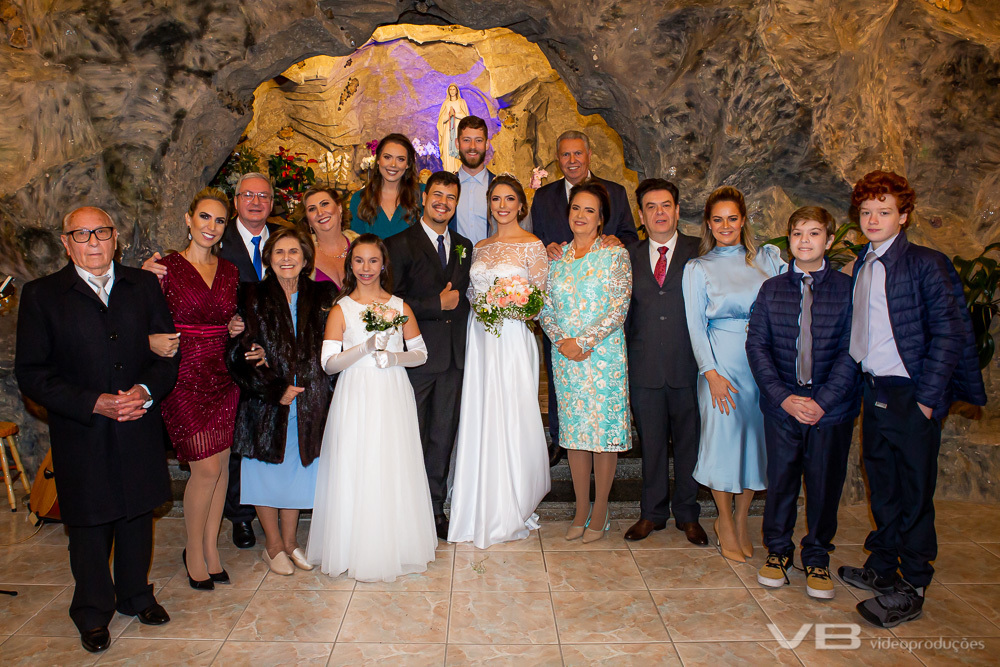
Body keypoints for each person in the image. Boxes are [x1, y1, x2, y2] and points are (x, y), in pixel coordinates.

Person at [15, 207, 178, 653]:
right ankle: (91, 611)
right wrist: (94, 402)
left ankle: (135, 595)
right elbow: (32, 373)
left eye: (101, 232)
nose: (93, 241)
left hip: (137, 423)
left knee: (136, 516)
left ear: (115, 239)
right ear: (66, 243)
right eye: (82, 234)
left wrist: (144, 391)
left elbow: (167, 353)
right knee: (87, 525)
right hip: (81, 430)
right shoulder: (42, 295)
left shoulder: (142, 286)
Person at [837, 171, 985, 628]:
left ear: (903, 216)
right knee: (881, 483)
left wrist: (927, 399)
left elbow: (949, 333)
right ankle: (883, 568)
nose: (873, 218)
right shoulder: (862, 261)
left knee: (914, 492)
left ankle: (914, 583)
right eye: (866, 212)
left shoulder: (927, 262)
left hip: (910, 394)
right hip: (875, 388)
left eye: (884, 211)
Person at [745, 206, 860, 600]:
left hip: (832, 409)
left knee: (824, 484)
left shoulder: (847, 290)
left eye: (814, 234)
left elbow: (853, 351)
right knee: (781, 481)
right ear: (788, 240)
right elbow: (757, 347)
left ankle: (817, 556)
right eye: (797, 234)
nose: (805, 241)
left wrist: (823, 401)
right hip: (783, 405)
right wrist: (784, 398)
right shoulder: (772, 289)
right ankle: (777, 552)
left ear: (829, 241)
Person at [308, 234, 436, 581]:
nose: (366, 268)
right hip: (355, 393)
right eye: (359, 261)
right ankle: (353, 546)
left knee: (391, 462)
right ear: (350, 265)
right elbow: (329, 364)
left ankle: (397, 544)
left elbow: (421, 353)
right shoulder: (341, 309)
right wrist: (364, 347)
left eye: (373, 261)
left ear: (383, 265)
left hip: (392, 391)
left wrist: (394, 356)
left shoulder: (399, 306)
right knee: (357, 462)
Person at [681, 185, 785, 563]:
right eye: (718, 219)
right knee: (723, 442)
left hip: (762, 367)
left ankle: (743, 520)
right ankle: (723, 519)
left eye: (733, 218)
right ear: (709, 224)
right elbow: (694, 325)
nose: (726, 225)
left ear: (743, 221)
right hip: (720, 366)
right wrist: (710, 373)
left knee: (754, 446)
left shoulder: (767, 262)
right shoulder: (698, 268)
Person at [225, 227, 336, 575]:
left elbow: (335, 343)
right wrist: (275, 388)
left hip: (310, 402)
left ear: (305, 259)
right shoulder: (251, 295)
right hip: (266, 403)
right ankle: (272, 546)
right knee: (264, 472)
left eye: (294, 252)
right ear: (268, 259)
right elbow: (242, 350)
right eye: (279, 252)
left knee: (298, 472)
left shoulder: (323, 294)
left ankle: (290, 542)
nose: (286, 258)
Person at [448, 175, 551, 548]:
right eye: (496, 199)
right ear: (489, 204)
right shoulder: (480, 247)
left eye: (509, 199)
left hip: (512, 339)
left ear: (521, 205)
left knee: (511, 411)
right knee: (480, 413)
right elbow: (473, 294)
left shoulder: (533, 246)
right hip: (480, 338)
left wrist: (513, 304)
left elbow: (539, 300)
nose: (502, 205)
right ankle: (477, 501)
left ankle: (513, 499)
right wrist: (486, 303)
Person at [149, 188, 240, 590]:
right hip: (182, 375)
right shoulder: (163, 269)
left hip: (223, 375)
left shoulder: (230, 271)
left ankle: (211, 548)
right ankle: (192, 549)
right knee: (204, 468)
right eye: (205, 217)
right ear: (189, 219)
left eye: (219, 220)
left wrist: (235, 325)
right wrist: (151, 339)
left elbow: (230, 317)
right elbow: (138, 318)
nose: (211, 226)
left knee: (219, 469)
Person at [530, 131, 638, 465]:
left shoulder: (615, 193)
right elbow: (535, 240)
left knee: (601, 394)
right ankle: (562, 438)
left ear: (589, 155)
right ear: (557, 159)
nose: (572, 161)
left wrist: (614, 242)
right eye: (565, 155)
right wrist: (543, 248)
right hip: (560, 310)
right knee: (561, 377)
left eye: (578, 154)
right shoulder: (543, 197)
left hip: (598, 311)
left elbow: (630, 238)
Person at [540, 181, 632, 544]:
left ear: (601, 219)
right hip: (565, 357)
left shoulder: (614, 255)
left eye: (589, 210)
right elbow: (544, 306)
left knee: (601, 436)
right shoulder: (556, 258)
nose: (581, 216)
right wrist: (560, 340)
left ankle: (602, 510)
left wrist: (584, 341)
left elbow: (619, 307)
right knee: (575, 435)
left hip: (603, 355)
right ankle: (580, 509)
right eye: (576, 208)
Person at [384, 171, 472, 540]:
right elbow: (390, 303)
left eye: (451, 198)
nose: (443, 203)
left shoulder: (465, 244)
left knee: (442, 436)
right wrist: (437, 304)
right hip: (416, 358)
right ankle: (405, 510)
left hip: (453, 359)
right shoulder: (399, 243)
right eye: (437, 195)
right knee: (410, 436)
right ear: (423, 196)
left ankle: (435, 508)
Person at [623, 179, 707, 546]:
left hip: (689, 365)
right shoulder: (627, 255)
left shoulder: (701, 250)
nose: (660, 212)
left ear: (677, 209)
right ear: (641, 215)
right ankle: (652, 514)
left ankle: (688, 514)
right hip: (644, 367)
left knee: (690, 444)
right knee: (652, 445)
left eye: (666, 205)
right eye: (651, 207)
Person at [350, 133, 423, 239]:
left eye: (400, 159)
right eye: (387, 157)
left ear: (408, 164)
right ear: (378, 159)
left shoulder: (422, 194)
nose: (393, 164)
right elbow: (356, 244)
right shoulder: (359, 199)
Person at [300, 185, 360, 288]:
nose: (320, 213)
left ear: (339, 208)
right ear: (308, 220)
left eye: (324, 204)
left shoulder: (363, 246)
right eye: (312, 209)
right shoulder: (301, 255)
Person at [451, 115, 495, 246]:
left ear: (487, 144)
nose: (472, 146)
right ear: (457, 143)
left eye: (479, 140)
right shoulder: (446, 188)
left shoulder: (499, 186)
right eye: (466, 140)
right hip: (454, 264)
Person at [438, 83, 470, 173]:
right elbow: (441, 120)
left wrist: (455, 114)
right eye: (450, 89)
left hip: (458, 130)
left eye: (453, 89)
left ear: (457, 91)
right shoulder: (446, 103)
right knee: (447, 150)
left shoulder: (461, 102)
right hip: (448, 131)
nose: (452, 91)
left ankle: (459, 171)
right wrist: (449, 115)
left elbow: (466, 117)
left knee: (459, 148)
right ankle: (449, 171)